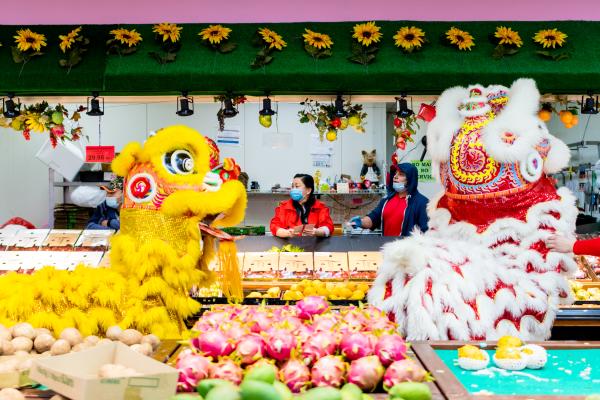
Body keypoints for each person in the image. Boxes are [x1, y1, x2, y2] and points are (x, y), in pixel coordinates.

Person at [349, 162, 428, 237]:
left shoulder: (422, 203)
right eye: (395, 173)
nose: (395, 176)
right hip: (386, 248)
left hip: (406, 250)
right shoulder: (386, 200)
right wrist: (361, 222)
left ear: (410, 180)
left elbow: (426, 233)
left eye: (401, 174)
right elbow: (373, 218)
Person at [270, 174, 334, 238]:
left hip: (314, 246)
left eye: (297, 186)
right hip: (290, 245)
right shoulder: (284, 207)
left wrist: (317, 232)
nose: (293, 189)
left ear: (308, 190)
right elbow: (274, 226)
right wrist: (286, 233)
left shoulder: (320, 207)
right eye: (292, 186)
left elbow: (329, 227)